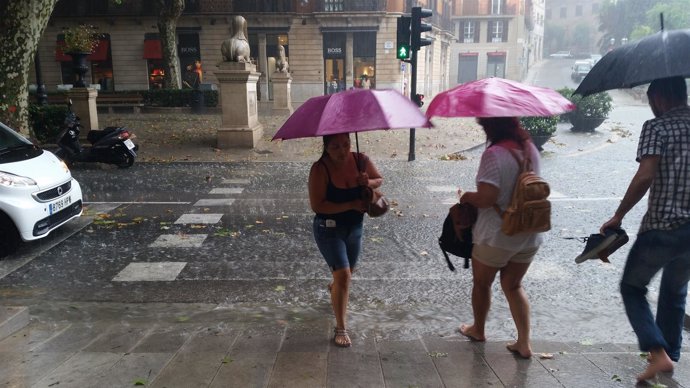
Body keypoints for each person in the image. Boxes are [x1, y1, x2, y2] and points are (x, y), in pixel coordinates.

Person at [598, 76, 690, 382]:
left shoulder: (657, 127)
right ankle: (667, 357)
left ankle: (658, 354)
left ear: (661, 97)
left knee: (632, 288)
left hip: (663, 226)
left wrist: (618, 215)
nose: (652, 107)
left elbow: (645, 175)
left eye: (652, 101)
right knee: (675, 292)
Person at [456, 117, 544, 359]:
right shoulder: (530, 149)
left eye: (484, 126)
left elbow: (487, 197)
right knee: (514, 285)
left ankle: (478, 329)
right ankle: (524, 342)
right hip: (529, 231)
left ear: (492, 127)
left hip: (497, 234)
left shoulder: (494, 154)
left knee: (482, 283)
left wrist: (466, 197)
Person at [308, 133, 383, 347]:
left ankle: (335, 289)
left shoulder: (361, 160)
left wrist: (367, 181)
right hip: (328, 229)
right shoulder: (319, 169)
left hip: (355, 227)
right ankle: (341, 327)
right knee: (343, 274)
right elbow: (318, 205)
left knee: (348, 272)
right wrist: (350, 205)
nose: (342, 151)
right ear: (326, 147)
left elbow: (379, 179)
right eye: (335, 147)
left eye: (346, 145)